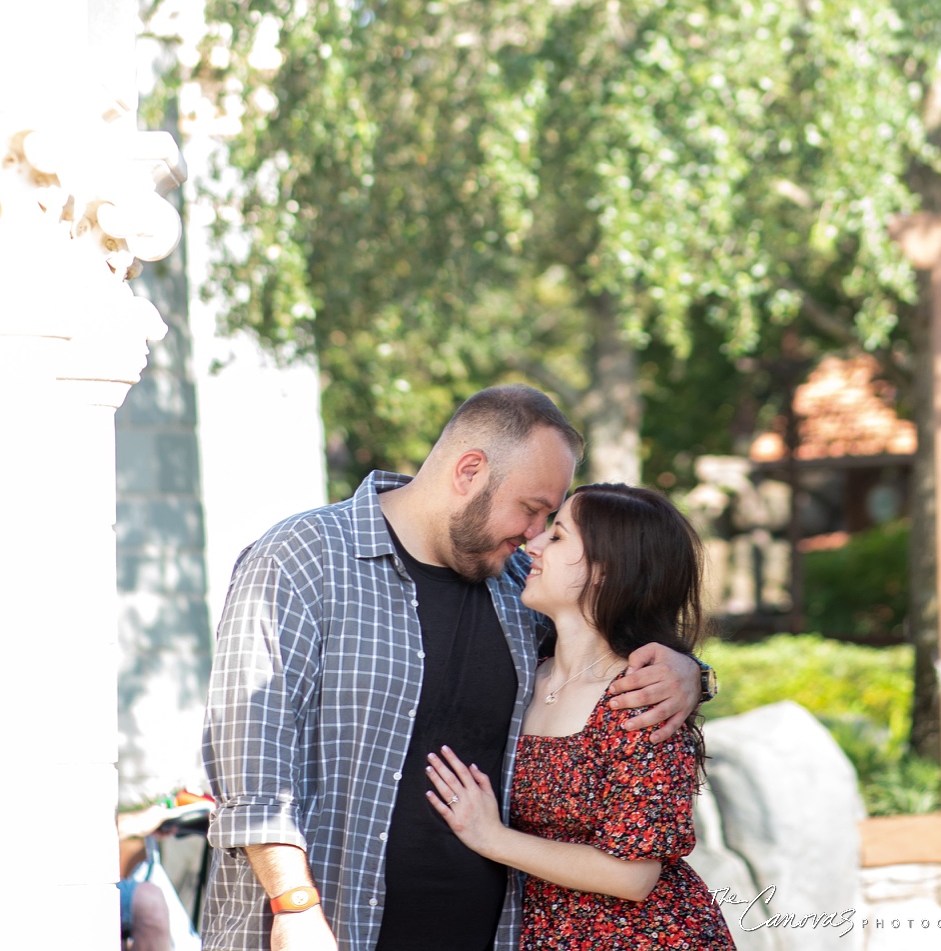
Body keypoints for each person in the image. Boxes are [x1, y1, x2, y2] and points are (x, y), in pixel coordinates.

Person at [200, 386, 707, 951]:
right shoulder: (301, 558)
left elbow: (606, 643)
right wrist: (295, 907)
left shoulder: (519, 587)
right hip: (325, 927)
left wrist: (691, 672)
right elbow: (250, 760)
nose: (535, 535)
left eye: (551, 522)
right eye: (533, 509)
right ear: (470, 471)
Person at [425, 483, 730, 949]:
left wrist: (491, 837)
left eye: (560, 536)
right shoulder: (522, 670)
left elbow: (633, 876)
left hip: (641, 938)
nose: (534, 545)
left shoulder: (640, 698)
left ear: (606, 572)